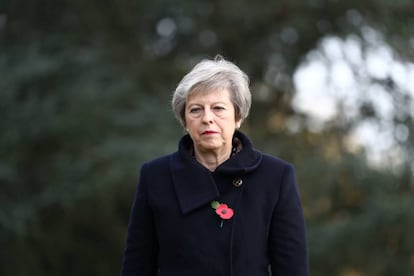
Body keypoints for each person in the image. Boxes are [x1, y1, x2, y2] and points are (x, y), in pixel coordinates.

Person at [120, 55, 309, 276]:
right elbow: (137, 266)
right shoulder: (155, 176)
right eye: (195, 110)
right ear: (185, 121)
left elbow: (292, 269)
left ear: (237, 116)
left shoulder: (275, 177)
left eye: (218, 108)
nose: (207, 118)